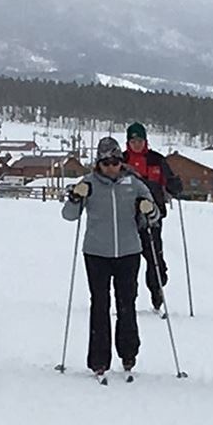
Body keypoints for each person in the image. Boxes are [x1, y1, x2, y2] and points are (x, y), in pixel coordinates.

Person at [61, 137, 160, 378]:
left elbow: (154, 216)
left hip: (128, 252)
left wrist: (148, 209)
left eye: (115, 161)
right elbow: (69, 216)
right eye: (105, 162)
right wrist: (75, 197)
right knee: (100, 304)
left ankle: (128, 353)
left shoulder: (134, 183)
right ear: (98, 163)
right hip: (96, 253)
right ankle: (98, 359)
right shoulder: (89, 183)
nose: (111, 167)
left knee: (127, 303)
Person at [123, 122, 183, 311]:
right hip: (126, 219)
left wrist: (174, 185)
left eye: (139, 140)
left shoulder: (157, 160)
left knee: (155, 259)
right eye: (133, 141)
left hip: (152, 218)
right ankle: (127, 298)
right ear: (128, 142)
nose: (136, 144)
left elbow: (170, 182)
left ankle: (157, 290)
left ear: (145, 141)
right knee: (127, 261)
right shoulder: (121, 161)